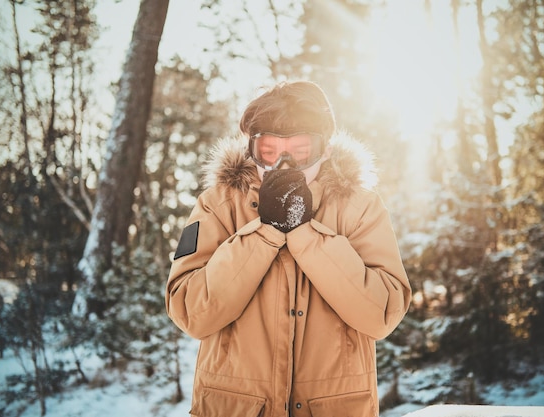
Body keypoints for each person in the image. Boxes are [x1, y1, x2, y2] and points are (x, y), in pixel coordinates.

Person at [165, 80, 411, 417]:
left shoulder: (361, 208)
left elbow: (382, 314)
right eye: (268, 151)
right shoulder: (217, 205)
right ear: (251, 148)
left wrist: (304, 233)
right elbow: (190, 312)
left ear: (324, 149)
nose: (283, 164)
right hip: (234, 407)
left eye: (299, 151)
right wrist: (264, 232)